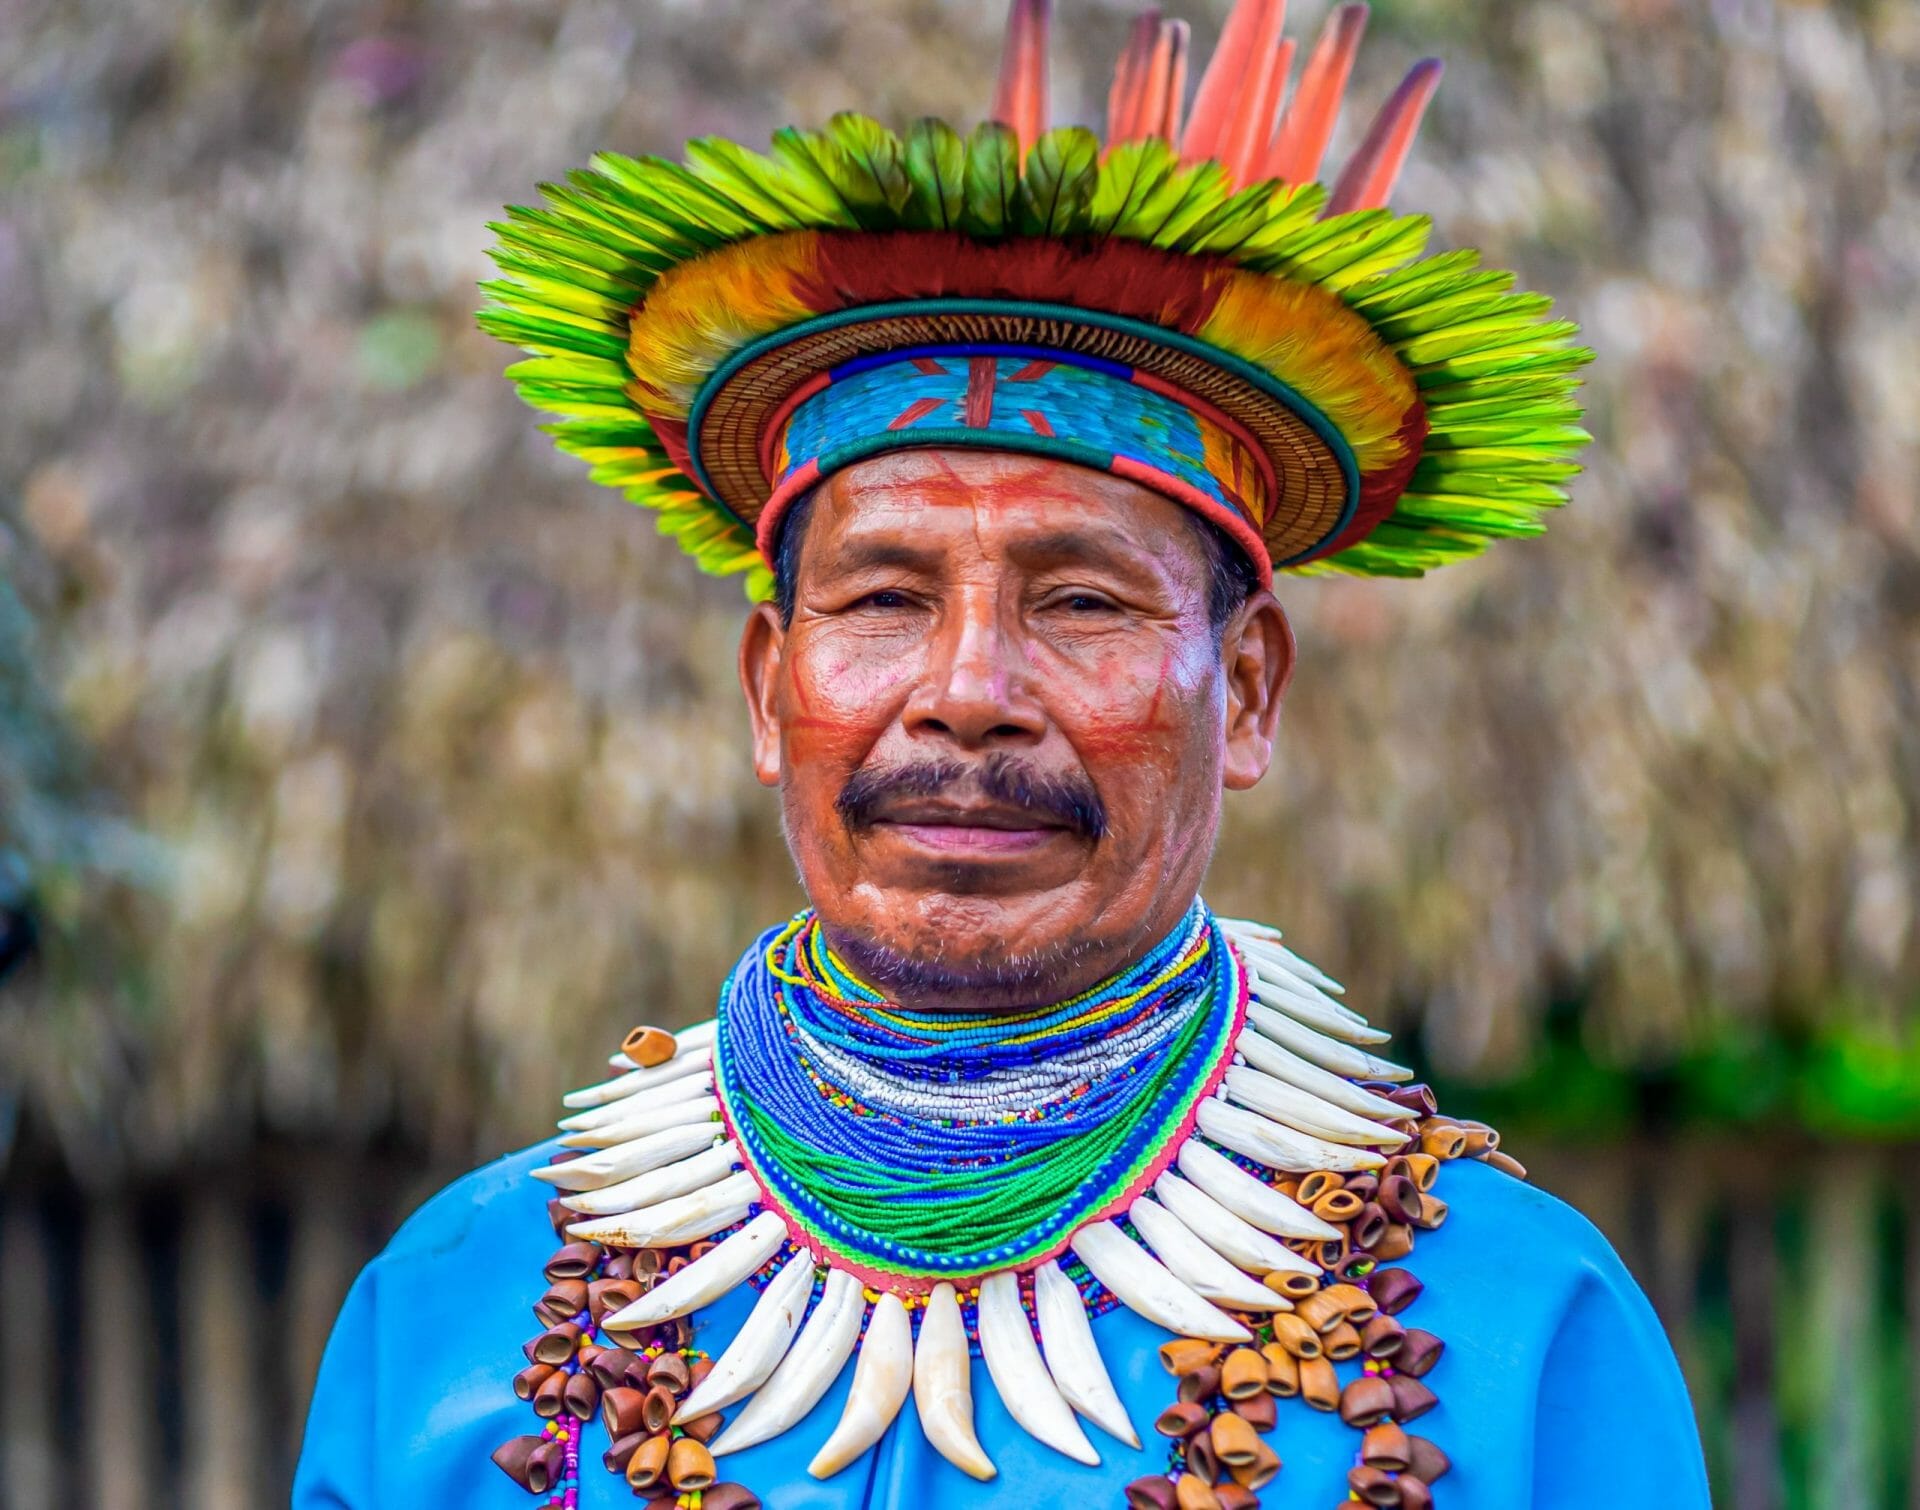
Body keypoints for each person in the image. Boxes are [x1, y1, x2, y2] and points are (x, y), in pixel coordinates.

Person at [294, 3, 1709, 1506]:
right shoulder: (455, 1321)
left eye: (1083, 600)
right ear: (771, 690)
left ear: (1247, 690)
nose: (969, 691)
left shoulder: (1511, 1342)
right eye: (887, 595)